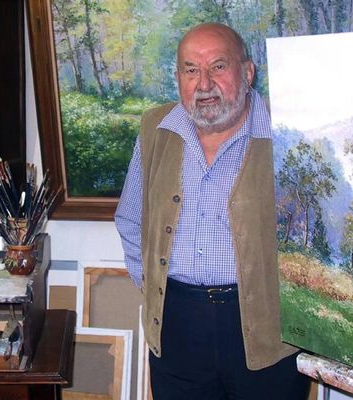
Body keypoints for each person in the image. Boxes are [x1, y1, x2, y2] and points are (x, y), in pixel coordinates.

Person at [114, 23, 310, 399]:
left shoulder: (289, 130)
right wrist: (155, 289)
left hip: (268, 332)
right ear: (178, 78)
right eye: (191, 70)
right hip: (176, 326)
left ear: (247, 72)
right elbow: (130, 219)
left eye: (218, 66)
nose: (203, 83)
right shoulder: (156, 128)